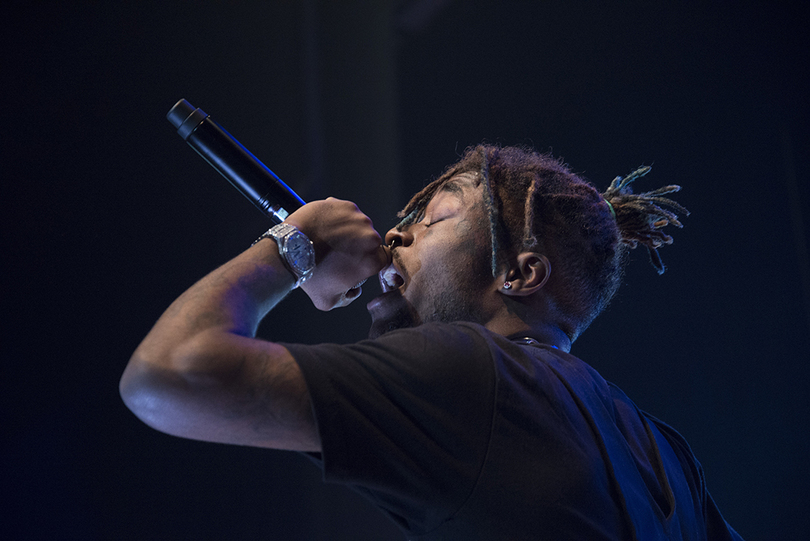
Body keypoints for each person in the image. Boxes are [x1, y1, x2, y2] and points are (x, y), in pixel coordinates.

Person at [120, 145, 743, 540]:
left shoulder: (477, 371)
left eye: (432, 219)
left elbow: (166, 378)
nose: (394, 236)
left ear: (520, 274)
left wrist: (293, 248)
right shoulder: (666, 453)